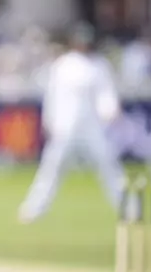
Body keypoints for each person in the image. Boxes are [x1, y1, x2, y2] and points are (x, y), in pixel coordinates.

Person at [18, 22, 124, 224]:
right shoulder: (62, 65)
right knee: (51, 168)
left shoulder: (99, 65)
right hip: (65, 127)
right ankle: (33, 209)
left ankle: (127, 208)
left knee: (108, 166)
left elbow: (106, 94)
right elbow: (53, 96)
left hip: (92, 127)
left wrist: (110, 109)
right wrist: (48, 122)